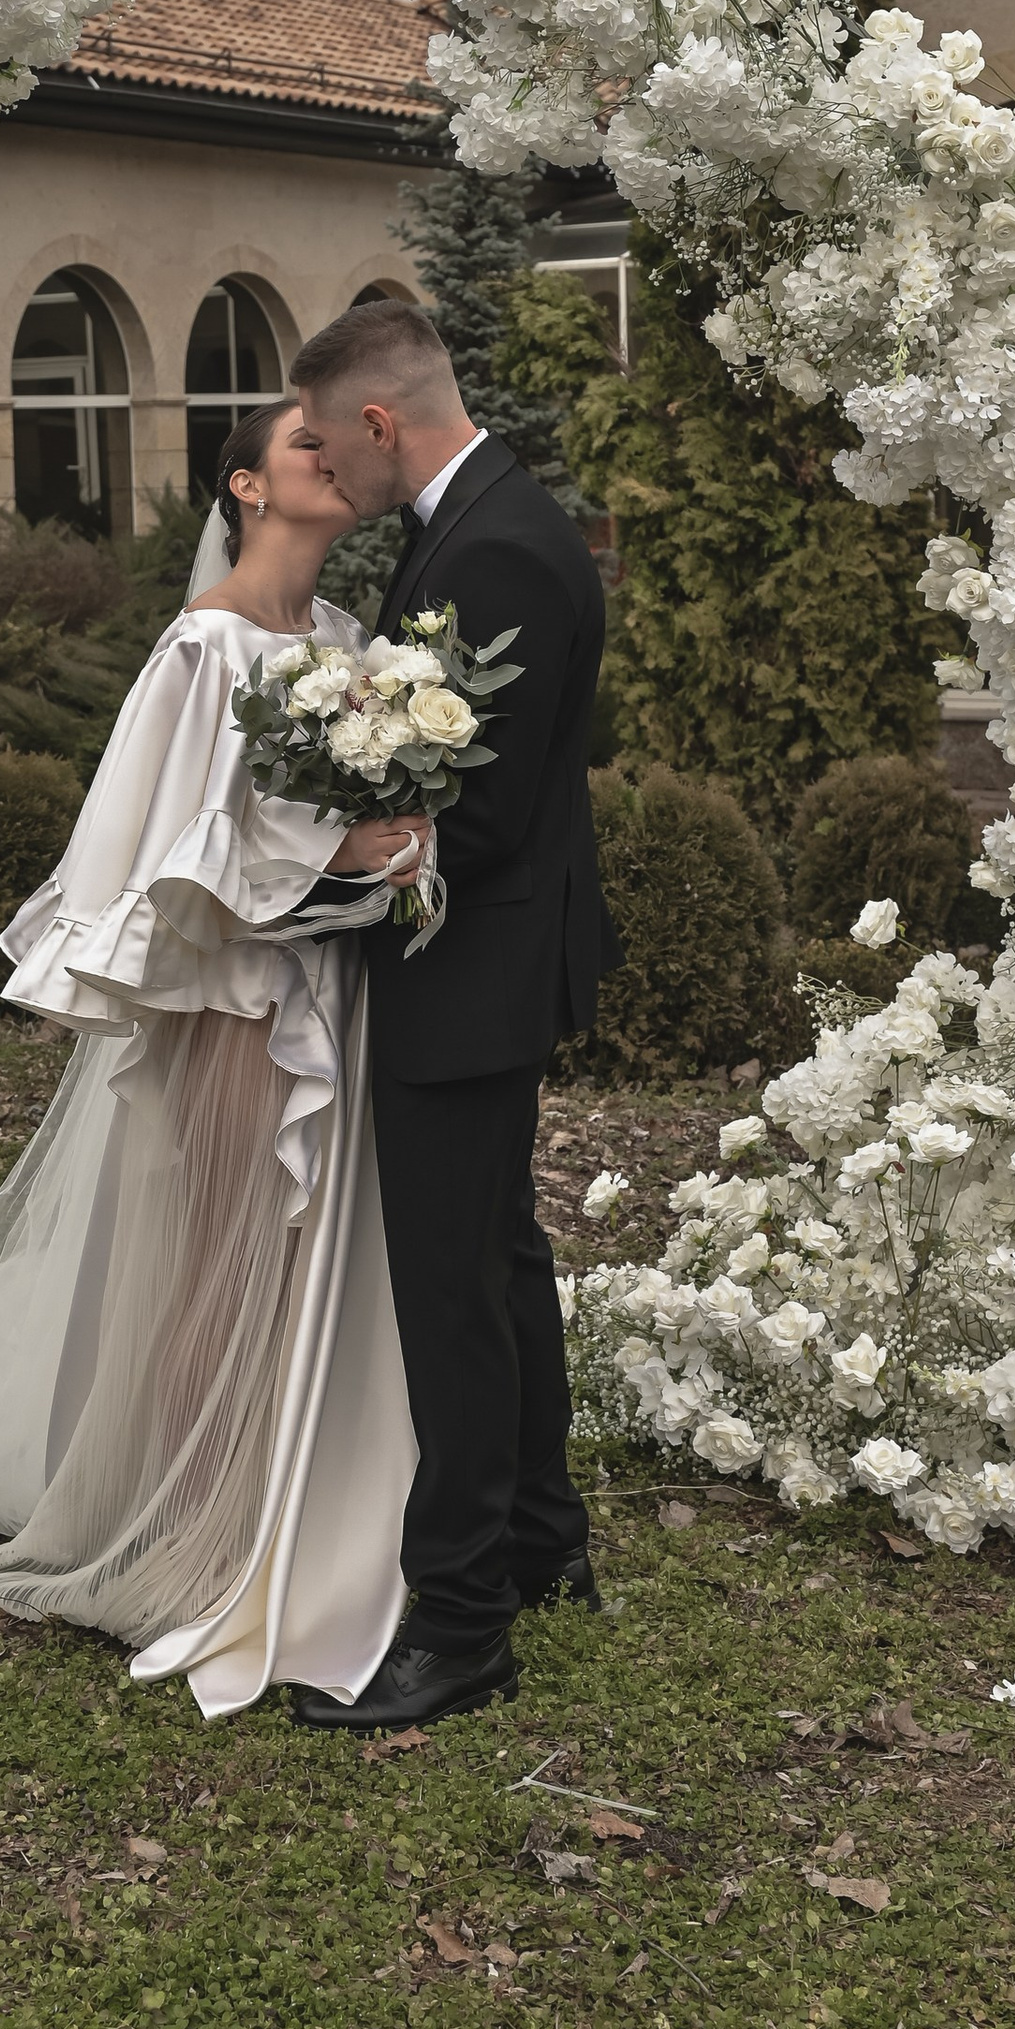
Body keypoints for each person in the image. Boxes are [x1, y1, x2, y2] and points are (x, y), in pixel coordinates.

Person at [0, 396, 428, 1715]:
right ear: (247, 488)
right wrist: (337, 853)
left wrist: (405, 830)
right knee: (221, 1249)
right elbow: (172, 848)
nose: (330, 456)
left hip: (334, 989)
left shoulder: (346, 643)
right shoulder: (205, 651)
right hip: (234, 1000)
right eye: (302, 445)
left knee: (300, 1254)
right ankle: (195, 1532)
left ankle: (279, 1502)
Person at [279, 296, 617, 1732]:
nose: (328, 478)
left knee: (451, 1296)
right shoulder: (482, 521)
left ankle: (462, 1619)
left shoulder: (495, 546)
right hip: (476, 962)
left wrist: (316, 868)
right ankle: (543, 1543)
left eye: (330, 446)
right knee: (499, 1260)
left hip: (467, 969)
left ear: (378, 421)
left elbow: (477, 806)